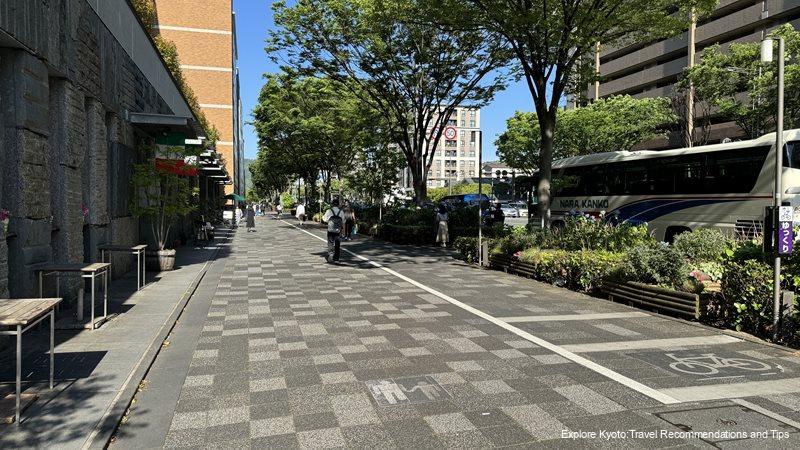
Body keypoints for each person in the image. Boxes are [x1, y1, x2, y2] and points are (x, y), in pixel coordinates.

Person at [322, 199, 344, 263]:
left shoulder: (329, 211)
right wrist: (343, 232)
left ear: (332, 204)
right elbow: (343, 222)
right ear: (338, 204)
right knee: (337, 244)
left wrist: (329, 221)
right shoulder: (341, 212)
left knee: (330, 243)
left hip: (330, 230)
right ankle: (336, 259)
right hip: (338, 230)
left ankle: (331, 256)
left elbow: (324, 219)